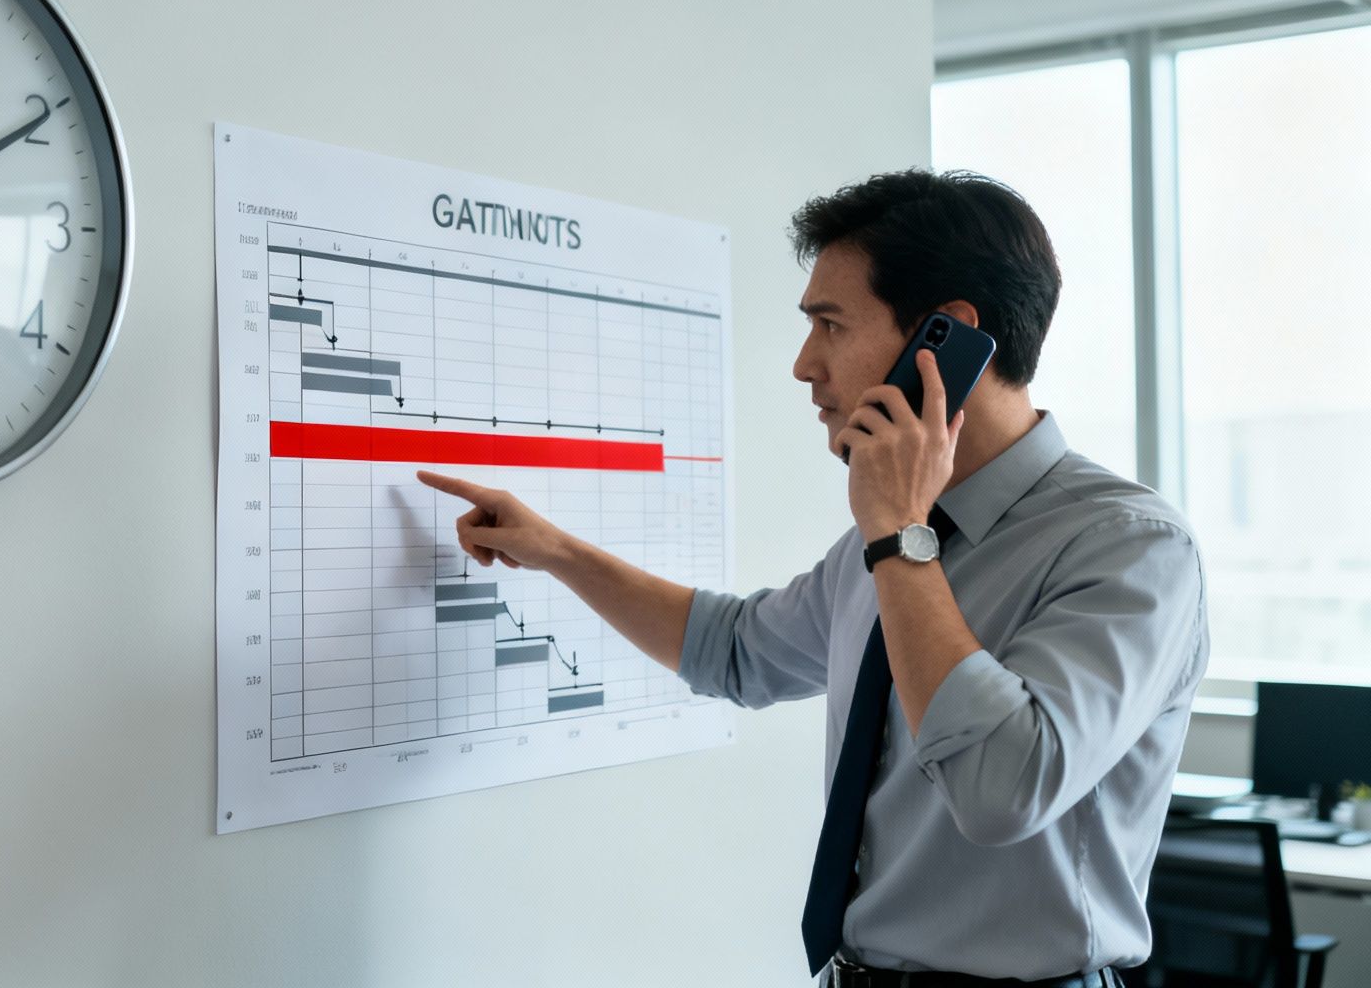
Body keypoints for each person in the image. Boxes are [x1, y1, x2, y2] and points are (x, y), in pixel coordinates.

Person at [418, 169, 1206, 987]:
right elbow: (735, 652)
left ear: (945, 337)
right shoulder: (887, 540)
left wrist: (899, 536)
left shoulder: (1129, 547)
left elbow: (1002, 789)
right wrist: (556, 551)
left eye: (830, 324)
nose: (804, 365)